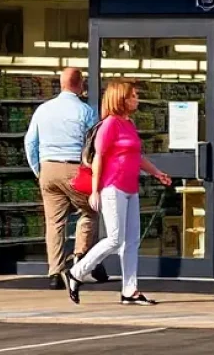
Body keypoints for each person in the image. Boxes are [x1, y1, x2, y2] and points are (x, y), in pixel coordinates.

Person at [66, 80, 171, 306]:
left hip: (130, 188)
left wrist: (157, 173)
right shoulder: (110, 124)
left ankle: (130, 290)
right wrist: (95, 190)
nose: (137, 99)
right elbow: (99, 157)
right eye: (132, 96)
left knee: (131, 241)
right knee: (114, 238)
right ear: (119, 99)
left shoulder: (129, 124)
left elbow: (137, 156)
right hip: (113, 187)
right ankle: (77, 271)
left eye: (136, 96)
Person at [25, 67, 107, 289]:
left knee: (54, 222)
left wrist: (38, 169)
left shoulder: (42, 110)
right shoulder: (85, 111)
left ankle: (55, 272)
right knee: (91, 210)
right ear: (80, 85)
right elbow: (94, 144)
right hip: (75, 168)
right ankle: (80, 256)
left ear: (61, 84)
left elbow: (30, 142)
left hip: (48, 169)